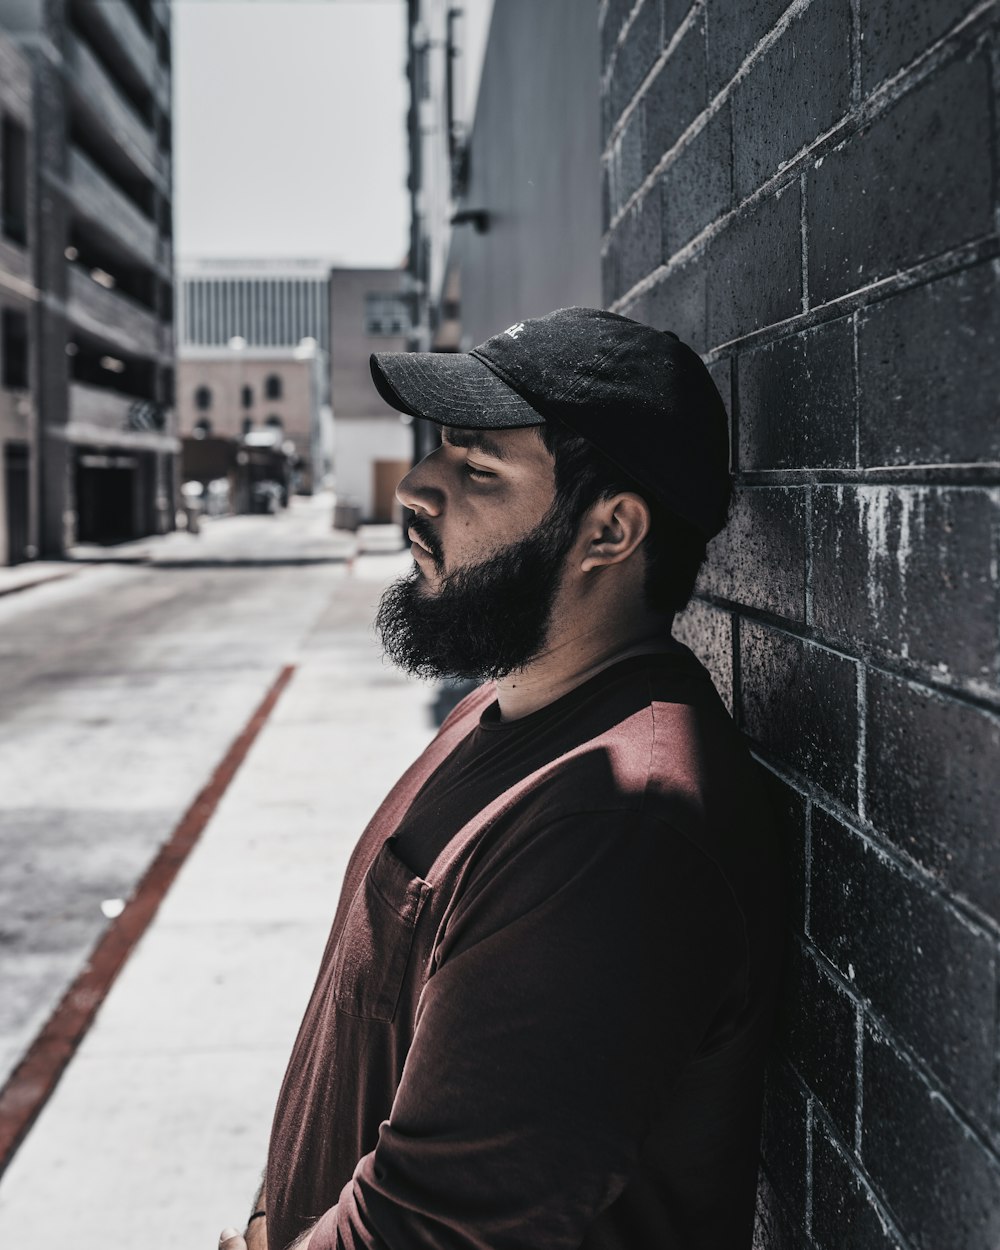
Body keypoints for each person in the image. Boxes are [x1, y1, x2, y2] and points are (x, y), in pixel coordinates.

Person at [219, 307, 784, 1250]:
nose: (416, 489)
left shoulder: (620, 827)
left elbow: (439, 1224)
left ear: (610, 530)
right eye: (439, 453)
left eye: (479, 469)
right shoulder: (500, 710)